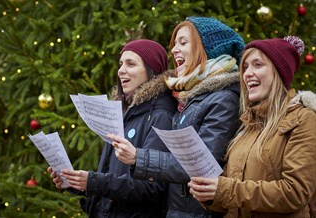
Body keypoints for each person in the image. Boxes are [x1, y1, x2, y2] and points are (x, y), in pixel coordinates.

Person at [108, 16, 245, 217]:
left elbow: (201, 164)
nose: (173, 50)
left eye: (183, 42)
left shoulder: (222, 99)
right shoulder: (189, 96)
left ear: (207, 49)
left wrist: (139, 157)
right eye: (174, 44)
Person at [188, 36, 316, 217]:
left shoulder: (303, 119)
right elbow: (230, 193)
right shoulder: (247, 125)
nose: (247, 73)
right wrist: (210, 194)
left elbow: (295, 193)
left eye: (258, 64)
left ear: (279, 72)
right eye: (245, 67)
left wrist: (224, 189)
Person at [48, 39, 177, 217]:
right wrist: (76, 183)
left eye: (131, 64)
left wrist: (92, 181)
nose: (121, 70)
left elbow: (152, 189)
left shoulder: (161, 115)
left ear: (151, 71)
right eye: (121, 64)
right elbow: (111, 180)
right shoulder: (125, 113)